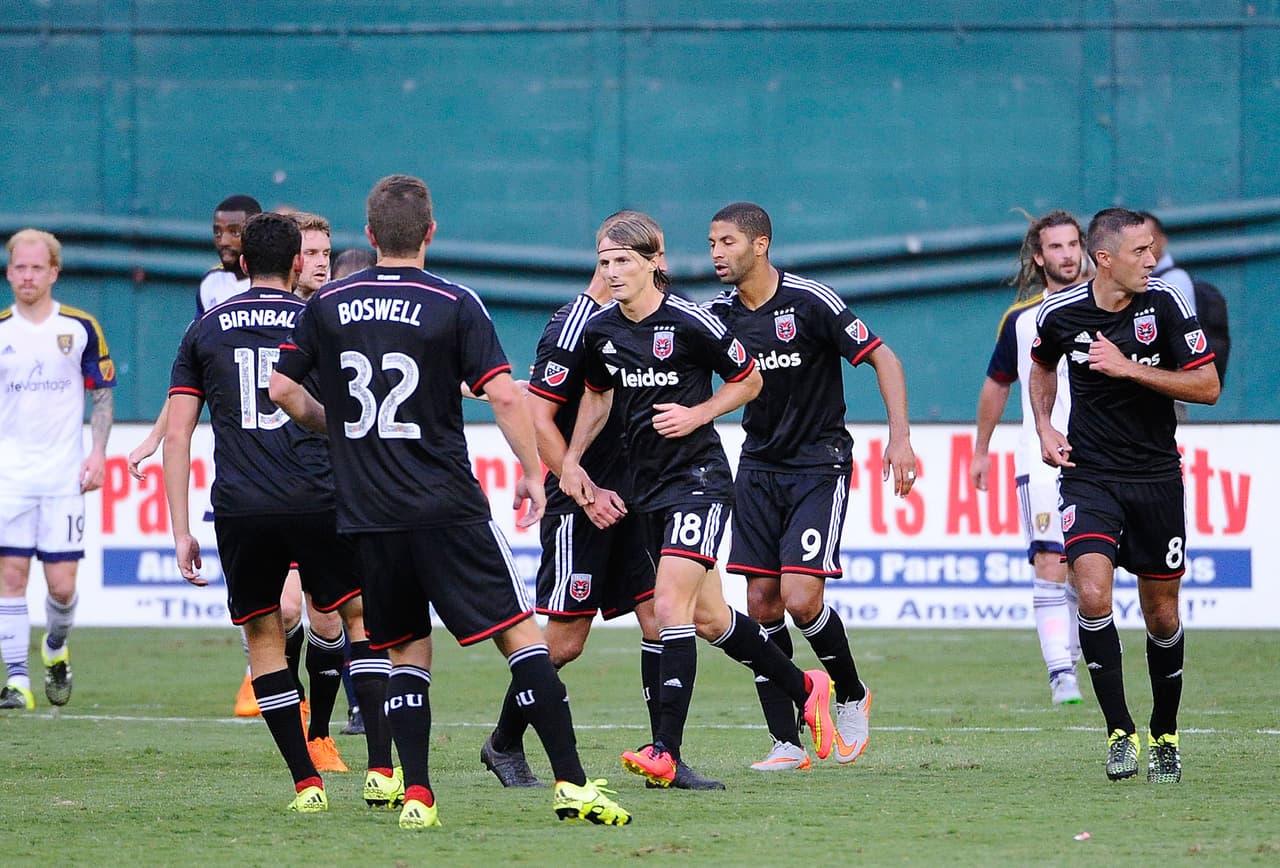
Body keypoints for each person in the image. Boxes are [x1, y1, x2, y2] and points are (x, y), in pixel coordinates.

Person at [269, 174, 631, 829]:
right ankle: (573, 786)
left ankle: (418, 795)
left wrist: (338, 428)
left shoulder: (327, 305)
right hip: (446, 505)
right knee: (521, 637)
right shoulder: (453, 301)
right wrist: (532, 473)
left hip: (369, 514)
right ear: (431, 233)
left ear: (370, 234)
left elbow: (282, 390)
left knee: (406, 650)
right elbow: (503, 393)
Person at [559, 213, 836, 789]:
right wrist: (572, 460)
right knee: (710, 619)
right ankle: (804, 686)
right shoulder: (600, 330)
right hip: (646, 490)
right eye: (604, 262)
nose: (611, 272)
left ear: (654, 263)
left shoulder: (689, 320)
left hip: (699, 481)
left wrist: (700, 413)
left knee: (668, 608)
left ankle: (666, 752)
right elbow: (597, 396)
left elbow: (749, 379)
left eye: (623, 261)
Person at [163, 211, 395, 813]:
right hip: (320, 496)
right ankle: (380, 768)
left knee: (265, 636)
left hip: (242, 506)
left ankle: (305, 783)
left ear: (242, 263)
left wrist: (181, 530)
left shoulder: (203, 329)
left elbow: (178, 435)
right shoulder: (321, 318)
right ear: (298, 263)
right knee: (360, 617)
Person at [703, 202, 914, 771]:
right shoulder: (718, 315)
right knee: (760, 602)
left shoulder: (810, 301)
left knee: (800, 597)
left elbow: (884, 359)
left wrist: (899, 439)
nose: (717, 253)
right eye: (712, 243)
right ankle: (787, 742)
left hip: (819, 465)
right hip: (757, 466)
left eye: (727, 242)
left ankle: (851, 693)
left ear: (760, 245)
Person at [481, 211, 671, 789]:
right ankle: (503, 743)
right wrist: (578, 485)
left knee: (660, 622)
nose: (654, 265)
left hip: (633, 500)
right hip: (581, 504)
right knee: (564, 644)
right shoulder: (574, 324)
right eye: (612, 258)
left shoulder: (650, 314)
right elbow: (537, 415)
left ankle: (665, 754)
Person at [1030, 207, 1219, 784]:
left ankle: (1165, 733)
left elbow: (1208, 386)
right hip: (1089, 475)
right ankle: (1120, 732)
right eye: (1140, 251)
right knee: (1091, 594)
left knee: (1162, 614)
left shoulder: (1166, 303)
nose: (1152, 260)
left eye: (1152, 248)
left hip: (1156, 477)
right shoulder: (1060, 313)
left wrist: (1129, 368)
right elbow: (1041, 366)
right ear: (1105, 259)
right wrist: (1044, 426)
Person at [971, 210, 1086, 707]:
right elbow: (997, 384)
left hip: (1100, 457)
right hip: (1040, 458)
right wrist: (981, 450)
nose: (1067, 254)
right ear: (1039, 257)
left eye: (1073, 244)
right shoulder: (1020, 320)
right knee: (1050, 558)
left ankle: (1076, 657)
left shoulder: (1108, 307)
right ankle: (1061, 672)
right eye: (1056, 246)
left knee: (1087, 568)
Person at [0, 229, 115, 710]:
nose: (27, 276)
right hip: (10, 478)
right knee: (11, 577)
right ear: (9, 272)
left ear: (54, 272)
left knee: (62, 587)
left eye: (36, 268)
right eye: (19, 267)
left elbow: (102, 395)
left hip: (63, 477)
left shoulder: (80, 327)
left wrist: (98, 452)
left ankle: (54, 646)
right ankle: (17, 681)